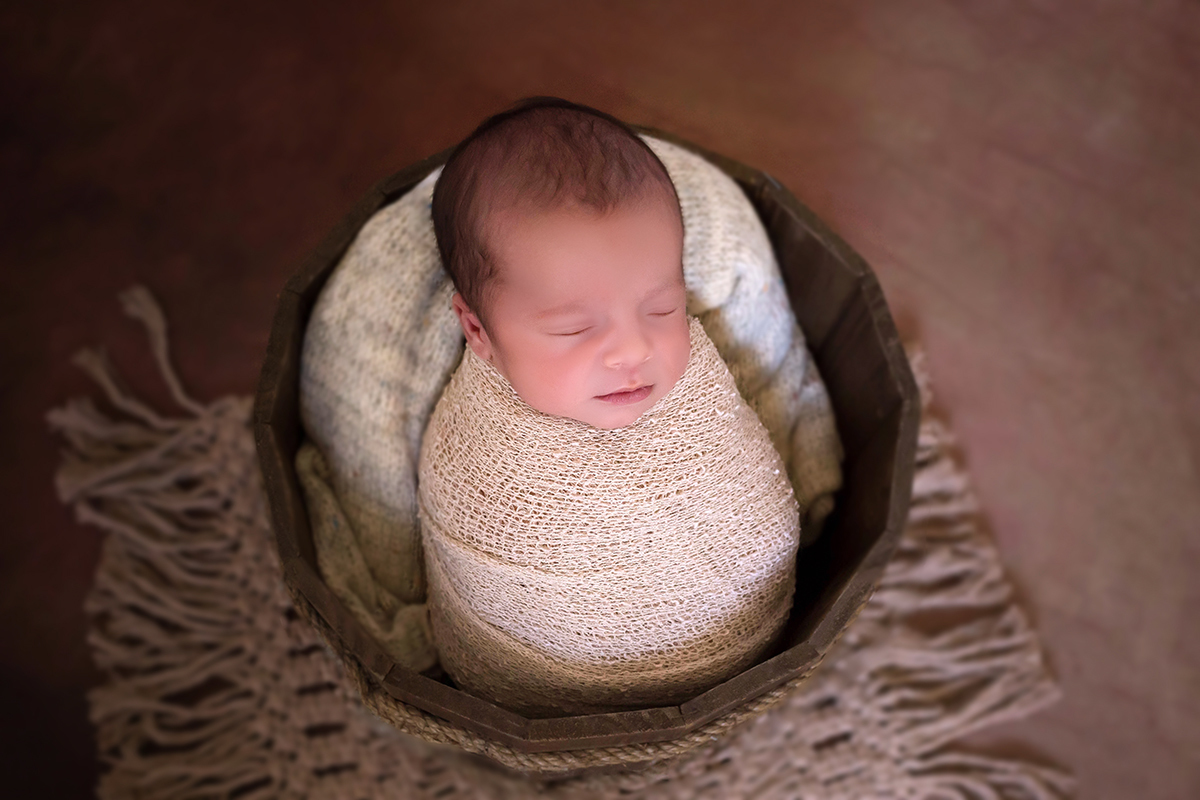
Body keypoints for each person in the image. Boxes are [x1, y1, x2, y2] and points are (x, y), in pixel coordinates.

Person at [420, 98, 800, 716]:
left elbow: (750, 481)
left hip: (747, 665)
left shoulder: (698, 380)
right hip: (535, 699)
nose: (632, 349)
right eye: (573, 329)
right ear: (479, 330)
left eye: (662, 308)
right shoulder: (480, 447)